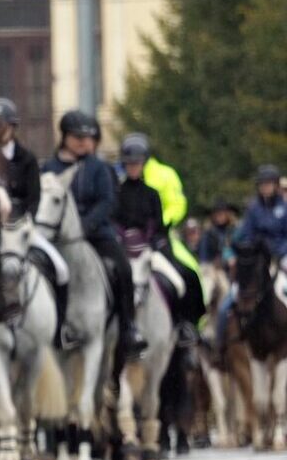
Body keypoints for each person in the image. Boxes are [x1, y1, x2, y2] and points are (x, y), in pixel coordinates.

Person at [41, 110, 145, 361]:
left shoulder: (100, 168)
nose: (84, 142)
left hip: (96, 233)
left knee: (123, 268)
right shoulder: (49, 167)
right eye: (77, 137)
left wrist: (84, 226)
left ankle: (128, 327)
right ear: (64, 137)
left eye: (88, 137)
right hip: (55, 235)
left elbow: (108, 202)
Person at [0, 97, 74, 344]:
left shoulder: (26, 159)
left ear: (12, 127)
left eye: (1, 126)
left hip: (21, 228)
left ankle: (60, 330)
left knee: (61, 269)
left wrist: (24, 223)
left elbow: (34, 198)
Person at [118, 135, 205, 334]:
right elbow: (115, 218)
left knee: (186, 275)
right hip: (126, 245)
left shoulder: (159, 183)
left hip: (155, 240)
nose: (133, 167)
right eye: (129, 164)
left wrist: (153, 234)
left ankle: (186, 324)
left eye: (137, 163)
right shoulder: (118, 189)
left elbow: (167, 211)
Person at [236, 164, 287, 258]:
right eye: (262, 184)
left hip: (281, 252)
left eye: (268, 183)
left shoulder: (284, 207)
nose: (264, 187)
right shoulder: (253, 208)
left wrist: (280, 251)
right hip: (258, 252)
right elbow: (247, 232)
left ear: (276, 185)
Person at [198, 198, 240, 267]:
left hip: (234, 267)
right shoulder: (208, 233)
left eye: (222, 213)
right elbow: (203, 257)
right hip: (213, 268)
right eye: (216, 213)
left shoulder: (235, 230)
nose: (219, 216)